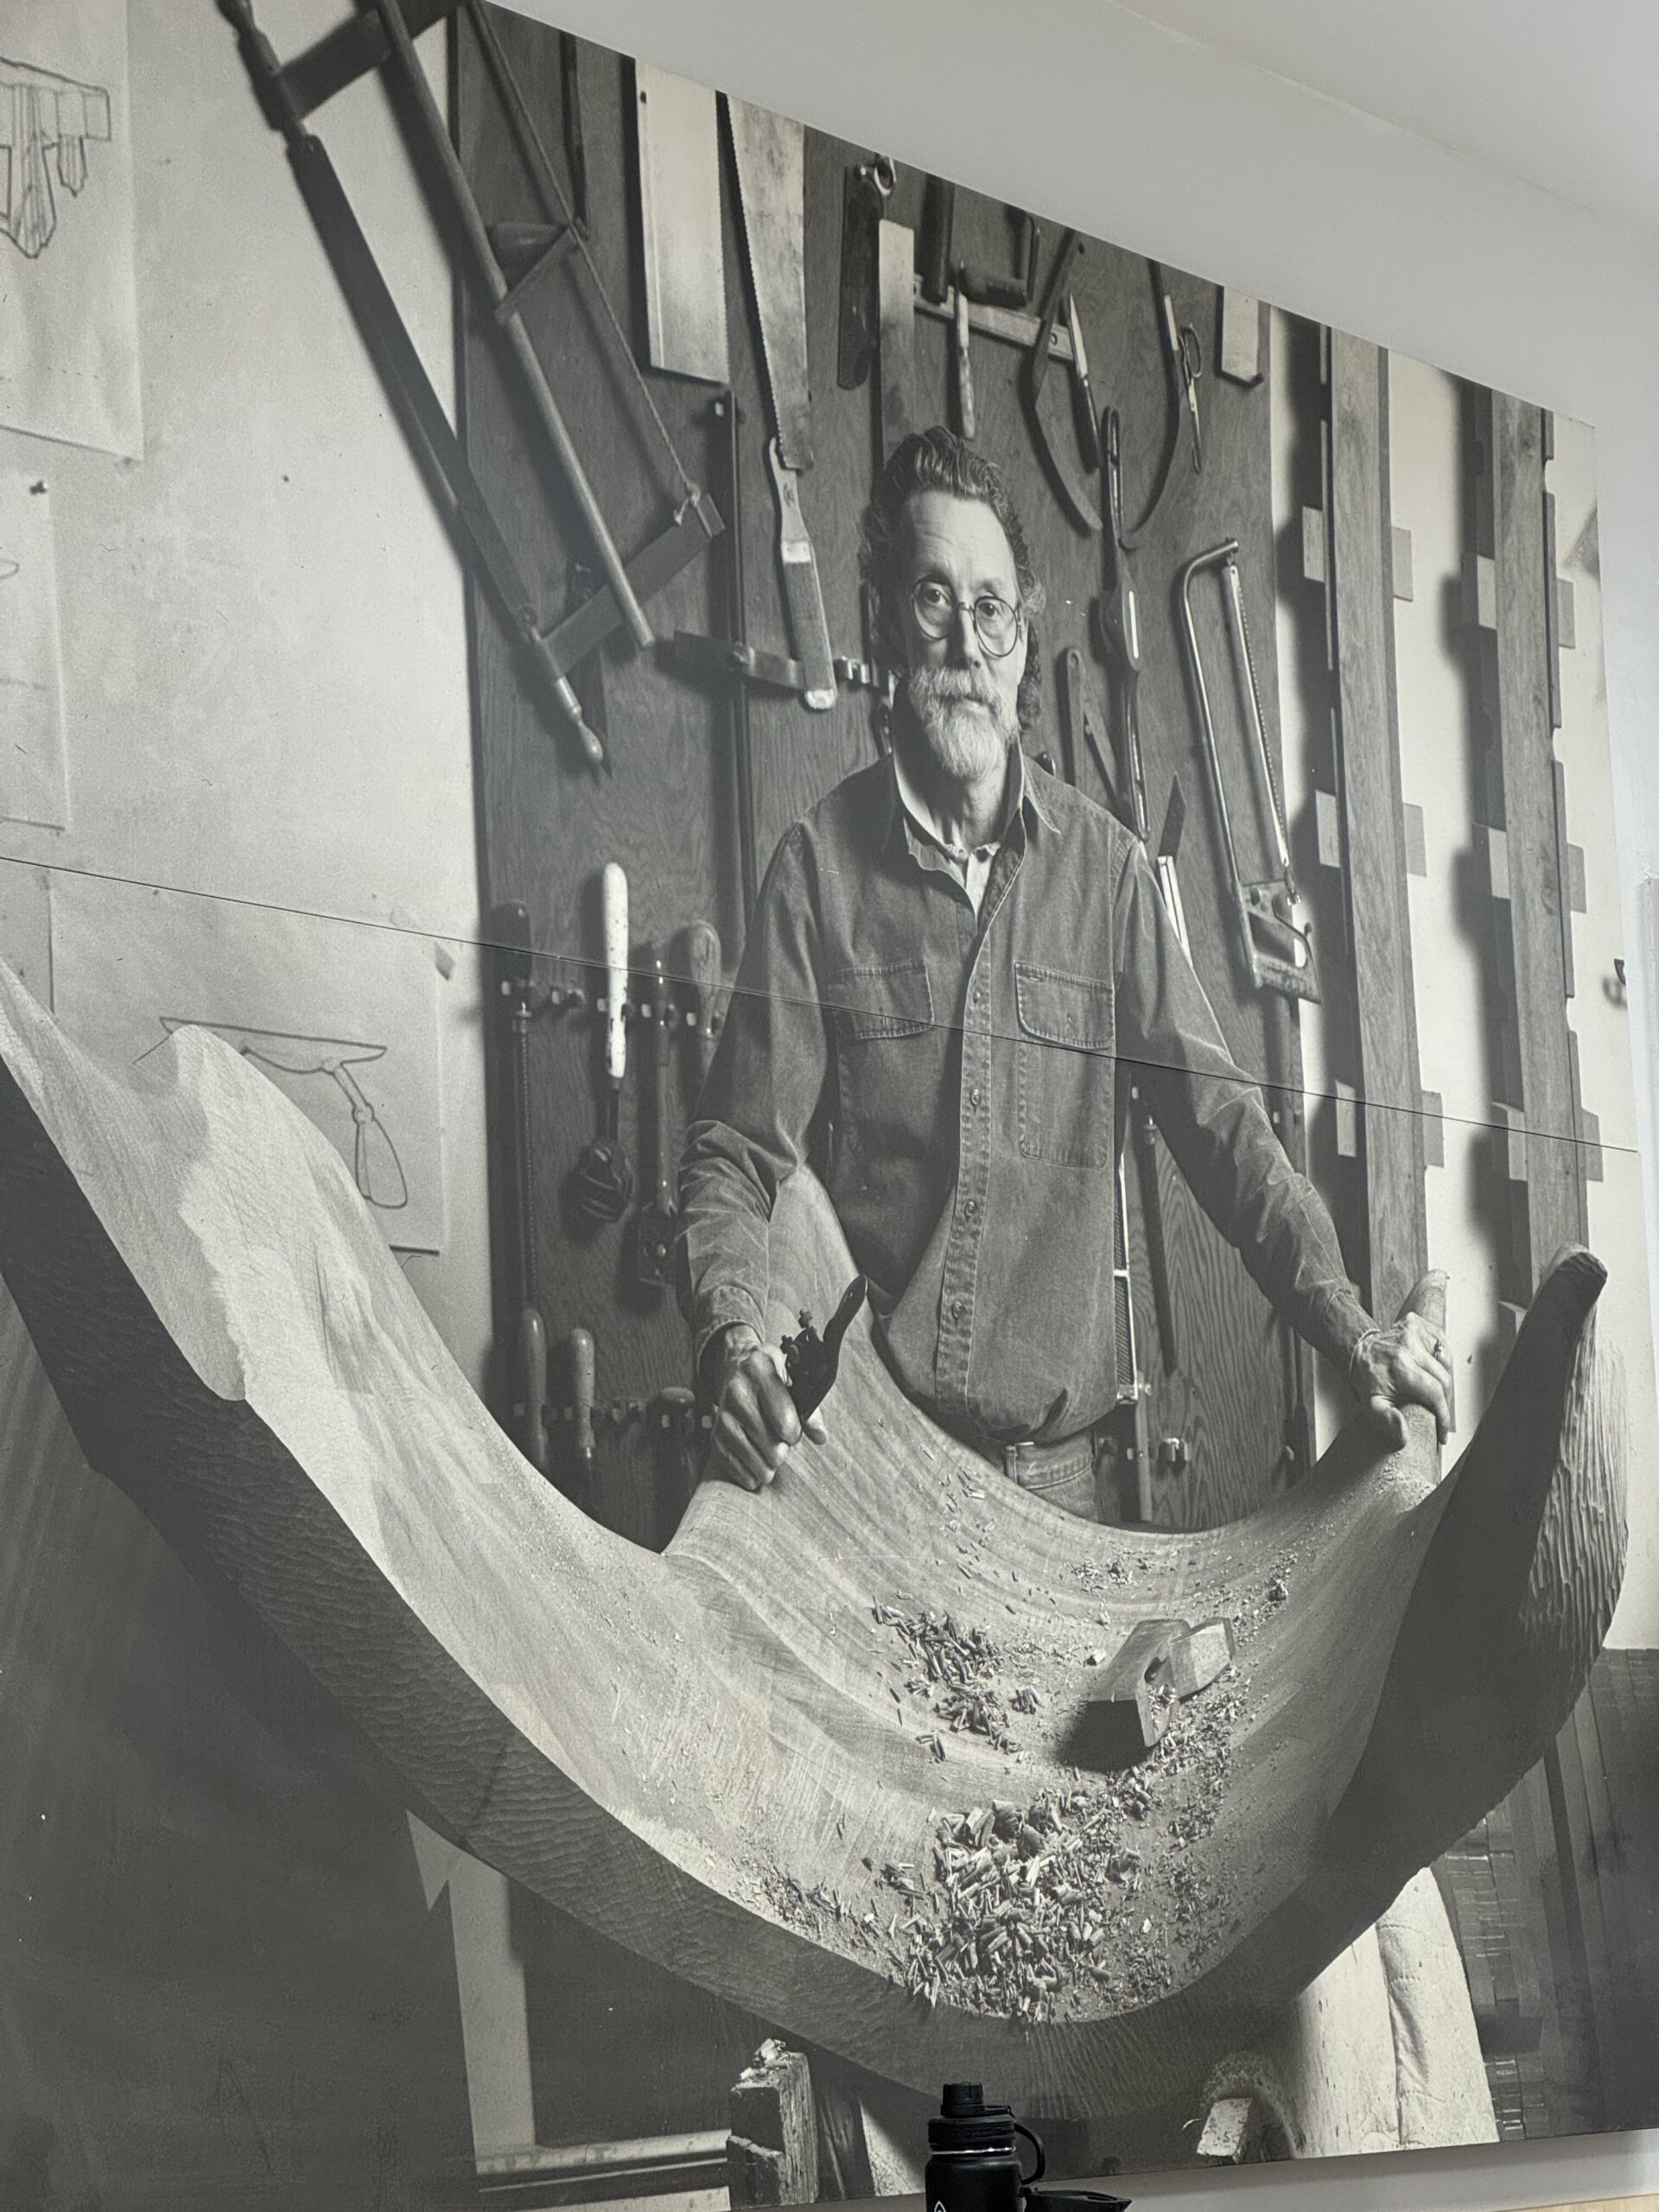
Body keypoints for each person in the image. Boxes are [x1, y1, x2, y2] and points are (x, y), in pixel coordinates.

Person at [679, 427, 1452, 1516]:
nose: (964, 641)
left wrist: (1355, 1333)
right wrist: (731, 1340)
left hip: (1059, 1486)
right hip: (867, 1466)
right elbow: (731, 1155)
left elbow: (1228, 1135)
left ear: (1021, 637)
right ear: (884, 624)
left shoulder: (1111, 878)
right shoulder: (817, 871)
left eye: (990, 608)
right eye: (933, 598)